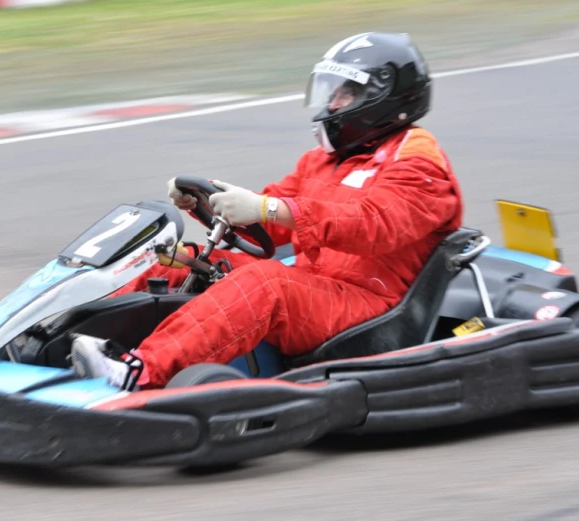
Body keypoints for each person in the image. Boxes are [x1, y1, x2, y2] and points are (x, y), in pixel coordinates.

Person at [69, 32, 464, 390]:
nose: (332, 103)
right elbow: (269, 225)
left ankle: (138, 371)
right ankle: (58, 337)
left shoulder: (419, 164)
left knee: (266, 282)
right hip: (317, 287)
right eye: (334, 92)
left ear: (382, 99)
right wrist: (204, 201)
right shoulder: (327, 160)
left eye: (345, 94)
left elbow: (374, 224)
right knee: (172, 260)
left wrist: (269, 207)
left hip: (370, 307)